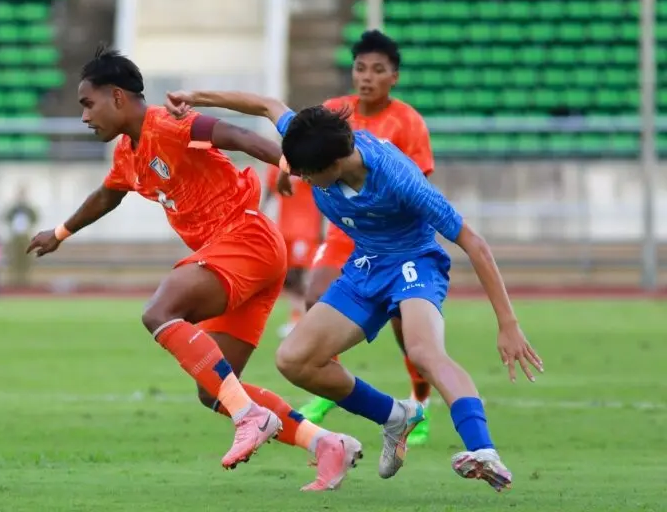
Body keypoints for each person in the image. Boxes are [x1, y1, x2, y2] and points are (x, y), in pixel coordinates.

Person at [164, 89, 543, 492]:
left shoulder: (398, 179)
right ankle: (395, 416)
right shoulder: (314, 137)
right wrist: (194, 97)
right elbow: (267, 105)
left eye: (308, 174)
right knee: (295, 359)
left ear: (335, 164)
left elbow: (474, 242)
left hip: (414, 261)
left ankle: (484, 451)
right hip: (366, 264)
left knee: (423, 351)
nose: (302, 179)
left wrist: (508, 324)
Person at [28, 47, 362, 491]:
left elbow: (238, 136)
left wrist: (289, 164)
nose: (85, 117)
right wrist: (62, 232)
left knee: (159, 311)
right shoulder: (128, 155)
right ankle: (325, 444)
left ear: (118, 97)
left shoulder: (170, 124)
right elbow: (108, 195)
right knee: (216, 389)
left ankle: (250, 417)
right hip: (242, 258)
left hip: (244, 239)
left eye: (88, 104)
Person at [291, 31, 437, 444]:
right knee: (314, 297)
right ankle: (325, 392)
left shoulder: (408, 122)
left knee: (405, 328)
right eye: (360, 68)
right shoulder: (336, 111)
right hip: (344, 232)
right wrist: (287, 167)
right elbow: (298, 141)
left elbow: (417, 187)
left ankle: (418, 404)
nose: (367, 77)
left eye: (377, 70)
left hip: (392, 239)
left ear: (394, 76)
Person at [262, 163, 323, 338]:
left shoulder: (309, 163)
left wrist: (321, 229)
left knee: (299, 275)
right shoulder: (277, 164)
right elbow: (269, 192)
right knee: (287, 278)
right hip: (284, 229)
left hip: (306, 230)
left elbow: (321, 193)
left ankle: (305, 320)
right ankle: (298, 318)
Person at [4, 186, 39, 288]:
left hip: (25, 235)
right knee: (14, 258)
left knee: (26, 258)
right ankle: (14, 279)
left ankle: (25, 279)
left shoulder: (28, 209)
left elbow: (35, 218)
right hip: (15, 235)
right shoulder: (13, 209)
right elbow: (6, 218)